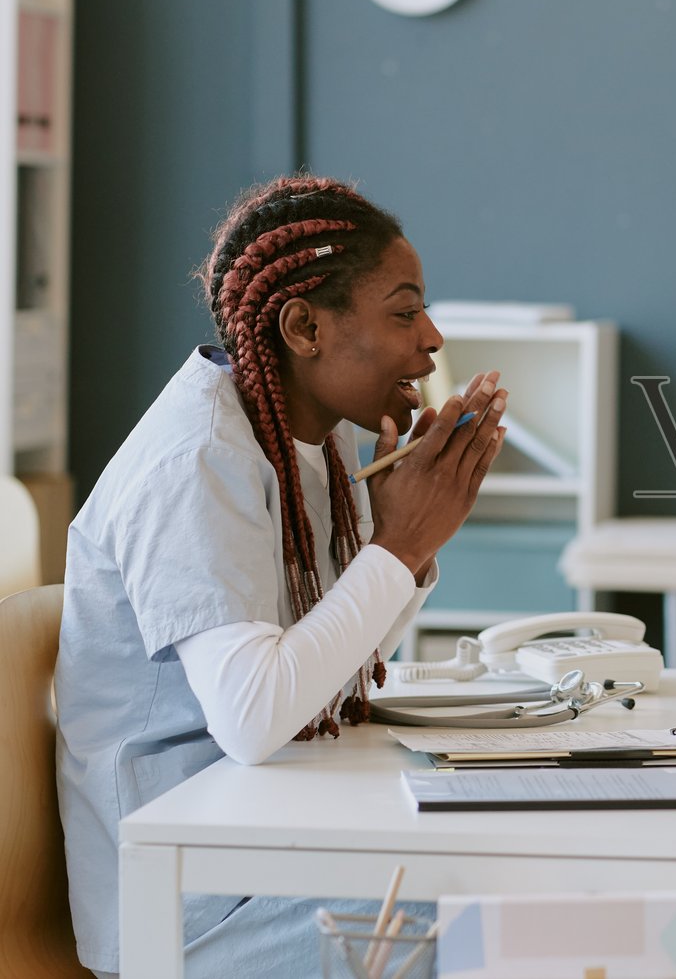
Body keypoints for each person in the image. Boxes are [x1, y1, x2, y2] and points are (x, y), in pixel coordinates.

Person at [55, 175, 509, 978]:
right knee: (494, 913)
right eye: (405, 311)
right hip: (184, 911)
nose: (432, 337)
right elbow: (253, 714)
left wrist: (414, 543)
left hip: (258, 847)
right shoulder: (196, 458)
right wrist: (397, 548)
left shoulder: (312, 440)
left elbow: (322, 674)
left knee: (515, 866)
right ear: (303, 326)